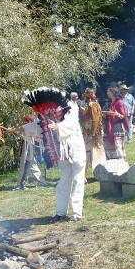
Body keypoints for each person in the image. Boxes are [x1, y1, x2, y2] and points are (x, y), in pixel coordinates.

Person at [48, 95, 87, 223]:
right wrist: (20, 129)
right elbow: (40, 125)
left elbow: (69, 125)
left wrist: (58, 127)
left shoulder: (71, 111)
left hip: (76, 153)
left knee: (77, 182)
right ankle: (60, 212)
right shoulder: (56, 116)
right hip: (63, 155)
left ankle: (76, 213)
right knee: (63, 183)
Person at [7, 114, 46, 190]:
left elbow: (18, 128)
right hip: (29, 145)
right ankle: (42, 181)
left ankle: (20, 184)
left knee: (24, 164)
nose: (23, 123)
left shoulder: (28, 126)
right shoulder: (33, 126)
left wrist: (10, 130)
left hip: (27, 146)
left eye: (25, 122)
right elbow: (23, 130)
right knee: (33, 164)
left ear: (29, 122)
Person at [81, 88, 106, 174]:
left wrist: (92, 133)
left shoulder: (92, 104)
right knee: (96, 152)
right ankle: (100, 172)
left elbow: (95, 119)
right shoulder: (95, 104)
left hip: (93, 131)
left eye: (86, 94)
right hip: (93, 131)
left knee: (89, 153)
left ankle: (98, 172)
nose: (85, 96)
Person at [103, 87, 129, 161]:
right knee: (110, 146)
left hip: (118, 126)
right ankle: (114, 162)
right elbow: (108, 116)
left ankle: (122, 162)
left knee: (119, 145)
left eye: (109, 91)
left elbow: (123, 116)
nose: (108, 93)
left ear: (114, 92)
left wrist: (116, 114)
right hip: (110, 126)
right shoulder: (110, 103)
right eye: (107, 91)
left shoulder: (119, 102)